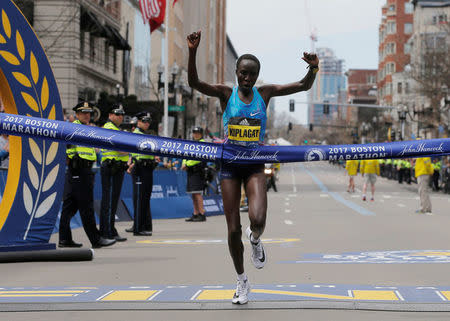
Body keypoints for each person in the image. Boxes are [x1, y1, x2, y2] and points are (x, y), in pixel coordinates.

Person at [187, 30, 319, 304]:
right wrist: (192, 51)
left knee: (257, 220)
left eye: (252, 75)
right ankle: (241, 280)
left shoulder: (265, 93)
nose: (247, 79)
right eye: (243, 73)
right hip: (229, 166)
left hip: (255, 164)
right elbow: (194, 82)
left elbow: (302, 86)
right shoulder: (226, 94)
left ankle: (256, 240)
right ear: (236, 72)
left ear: (257, 76)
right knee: (233, 229)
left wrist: (313, 68)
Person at [59, 102, 116, 248]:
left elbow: (93, 150)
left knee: (69, 207)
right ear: (77, 114)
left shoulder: (86, 129)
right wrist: (73, 161)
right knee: (87, 207)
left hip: (82, 170)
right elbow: (68, 148)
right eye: (83, 113)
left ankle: (64, 239)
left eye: (89, 113)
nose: (87, 115)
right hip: (79, 170)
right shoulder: (74, 128)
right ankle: (96, 239)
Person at [99, 104, 129, 242]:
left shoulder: (117, 129)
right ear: (110, 115)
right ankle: (105, 232)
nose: (120, 117)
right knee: (109, 201)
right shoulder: (108, 127)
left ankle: (111, 230)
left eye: (122, 114)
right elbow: (120, 149)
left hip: (117, 168)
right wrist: (130, 148)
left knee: (113, 201)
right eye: (117, 114)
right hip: (110, 168)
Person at [125, 112, 158, 236]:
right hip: (140, 167)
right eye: (144, 121)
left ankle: (145, 225)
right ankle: (138, 227)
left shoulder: (147, 134)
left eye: (149, 121)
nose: (147, 123)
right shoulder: (136, 134)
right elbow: (133, 152)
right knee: (140, 198)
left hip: (147, 168)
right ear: (138, 121)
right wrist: (131, 163)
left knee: (144, 198)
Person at [182, 126, 207, 222]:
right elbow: (185, 153)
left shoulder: (203, 143)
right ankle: (195, 213)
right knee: (193, 193)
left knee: (197, 193)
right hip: (191, 171)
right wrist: (184, 162)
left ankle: (202, 213)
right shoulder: (191, 143)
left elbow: (198, 157)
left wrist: (187, 164)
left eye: (198, 133)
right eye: (194, 133)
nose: (196, 134)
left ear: (201, 134)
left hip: (198, 171)